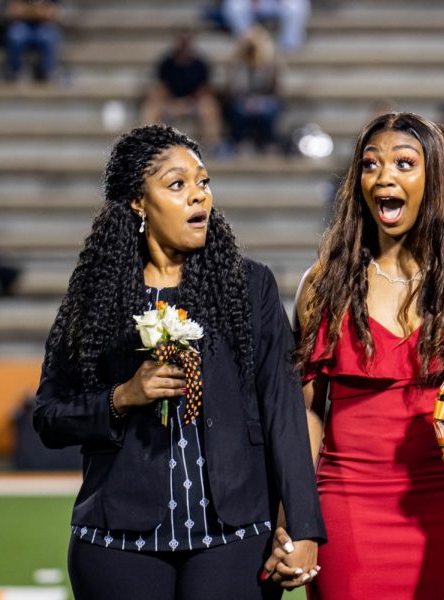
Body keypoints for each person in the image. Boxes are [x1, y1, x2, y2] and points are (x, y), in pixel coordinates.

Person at [33, 124, 325, 600]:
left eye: (203, 182)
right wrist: (122, 397)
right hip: (118, 543)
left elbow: (285, 413)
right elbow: (49, 417)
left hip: (233, 538)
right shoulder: (98, 296)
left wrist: (304, 527)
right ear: (137, 203)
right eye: (177, 185)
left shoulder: (249, 286)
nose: (198, 197)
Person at [284, 112, 444, 598]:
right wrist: (294, 518)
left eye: (405, 163)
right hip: (345, 504)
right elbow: (307, 414)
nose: (385, 176)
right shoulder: (324, 284)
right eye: (371, 164)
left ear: (436, 180)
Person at [141, 31, 222, 153]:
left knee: (209, 104)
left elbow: (204, 90)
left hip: (194, 103)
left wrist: (187, 104)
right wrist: (174, 104)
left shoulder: (200, 64)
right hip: (170, 102)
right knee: (153, 104)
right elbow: (162, 87)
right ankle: (147, 143)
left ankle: (212, 144)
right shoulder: (167, 63)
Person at [224, 25, 284, 154]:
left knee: (269, 108)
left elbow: (275, 91)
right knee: (238, 108)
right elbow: (232, 90)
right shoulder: (236, 62)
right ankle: (240, 140)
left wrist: (259, 100)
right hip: (242, 98)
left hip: (264, 98)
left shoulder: (270, 62)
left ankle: (268, 141)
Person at [3, 0, 61, 82]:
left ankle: (46, 72)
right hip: (21, 25)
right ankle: (14, 72)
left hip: (43, 26)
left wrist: (25, 11)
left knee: (48, 37)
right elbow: (13, 11)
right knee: (16, 36)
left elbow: (52, 13)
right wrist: (39, 11)